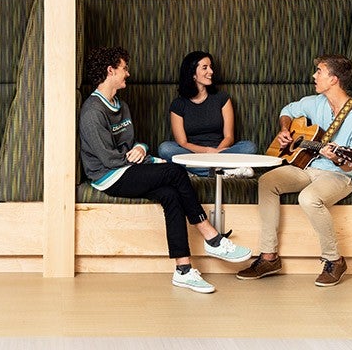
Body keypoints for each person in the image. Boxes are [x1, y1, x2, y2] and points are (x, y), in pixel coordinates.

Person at [79, 46, 252, 294]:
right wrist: (147, 160)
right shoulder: (93, 111)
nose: (128, 73)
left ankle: (183, 270)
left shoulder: (121, 105)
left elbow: (131, 145)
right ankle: (212, 237)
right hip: (109, 176)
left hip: (126, 168)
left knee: (171, 195)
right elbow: (108, 160)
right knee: (175, 172)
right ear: (110, 71)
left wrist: (141, 148)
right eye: (124, 68)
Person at [236, 54, 352, 287]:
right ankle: (269, 257)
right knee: (267, 181)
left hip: (340, 175)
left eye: (319, 71)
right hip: (308, 167)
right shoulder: (316, 103)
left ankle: (335, 260)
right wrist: (285, 130)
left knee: (309, 198)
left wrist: (338, 159)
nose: (314, 75)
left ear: (333, 79)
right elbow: (288, 110)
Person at [158, 51, 258, 177]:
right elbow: (183, 143)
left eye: (211, 67)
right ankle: (224, 171)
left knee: (249, 147)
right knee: (165, 148)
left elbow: (229, 137)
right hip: (192, 153)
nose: (211, 71)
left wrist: (215, 153)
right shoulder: (178, 104)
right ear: (193, 74)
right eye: (205, 68)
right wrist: (206, 152)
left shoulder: (222, 98)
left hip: (221, 151)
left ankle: (196, 171)